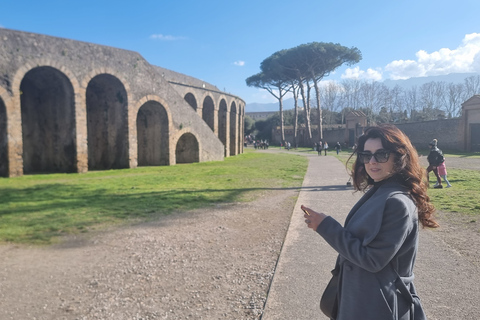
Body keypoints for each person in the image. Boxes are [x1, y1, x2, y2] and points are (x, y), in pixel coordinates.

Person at [301, 124, 438, 320]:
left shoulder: (396, 202)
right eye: (367, 155)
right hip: (360, 297)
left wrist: (326, 226)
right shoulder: (381, 190)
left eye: (381, 154)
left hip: (378, 304)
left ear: (398, 157)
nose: (372, 161)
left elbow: (373, 260)